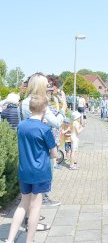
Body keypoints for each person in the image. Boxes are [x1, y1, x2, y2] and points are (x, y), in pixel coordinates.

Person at [6, 95, 57, 243]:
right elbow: (54, 154)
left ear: (30, 108)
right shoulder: (45, 129)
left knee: (23, 204)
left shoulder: (21, 126)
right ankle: (29, 240)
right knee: (35, 207)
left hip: (24, 171)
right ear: (44, 108)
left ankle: (10, 239)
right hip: (40, 172)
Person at [21, 73, 65, 207]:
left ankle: (29, 217)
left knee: (26, 195)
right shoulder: (39, 102)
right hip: (40, 148)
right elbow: (56, 122)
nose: (49, 88)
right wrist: (63, 106)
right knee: (37, 191)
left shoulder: (24, 102)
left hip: (26, 147)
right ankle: (34, 218)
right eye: (47, 86)